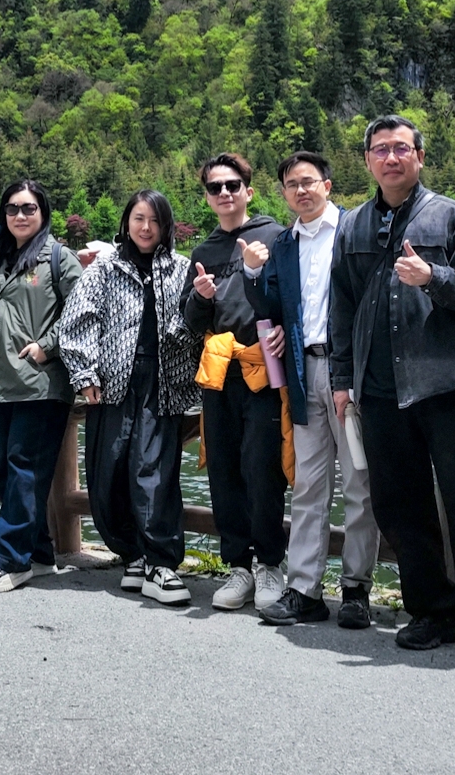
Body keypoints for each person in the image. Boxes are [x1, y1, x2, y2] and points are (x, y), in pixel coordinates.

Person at [331, 114, 455, 668]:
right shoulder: (352, 226)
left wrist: (433, 278)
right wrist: (342, 379)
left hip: (448, 384)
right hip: (378, 389)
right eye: (380, 150)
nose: (390, 158)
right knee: (400, 507)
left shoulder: (452, 216)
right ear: (367, 160)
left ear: (419, 156)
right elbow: (341, 307)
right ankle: (433, 611)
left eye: (401, 148)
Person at [248, 151, 379, 628]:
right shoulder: (284, 243)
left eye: (308, 181)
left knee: (360, 484)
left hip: (351, 373)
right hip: (304, 372)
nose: (301, 190)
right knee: (308, 485)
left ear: (327, 184)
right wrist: (251, 272)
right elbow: (269, 305)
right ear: (283, 193)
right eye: (291, 184)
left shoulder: (354, 230)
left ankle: (356, 588)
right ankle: (305, 589)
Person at [56, 190, 204, 608]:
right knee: (109, 469)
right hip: (111, 381)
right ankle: (133, 554)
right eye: (139, 218)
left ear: (166, 226)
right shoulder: (105, 268)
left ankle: (161, 562)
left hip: (162, 381)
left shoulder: (180, 269)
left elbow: (192, 324)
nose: (146, 227)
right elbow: (77, 320)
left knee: (151, 470)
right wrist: (84, 373)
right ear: (127, 222)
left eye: (155, 220)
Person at [183, 151, 289, 612]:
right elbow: (191, 322)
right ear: (207, 197)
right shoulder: (203, 252)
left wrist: (284, 326)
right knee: (224, 469)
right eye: (215, 188)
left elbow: (293, 299)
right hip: (219, 371)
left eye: (232, 185)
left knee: (262, 469)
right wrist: (201, 298)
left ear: (249, 190)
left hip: (262, 368)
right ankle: (238, 566)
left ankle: (270, 564)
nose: (224, 193)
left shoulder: (276, 236)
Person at [0, 179, 84, 593]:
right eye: (12, 208)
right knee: (8, 469)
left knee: (24, 466)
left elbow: (82, 311)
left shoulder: (58, 258)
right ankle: (38, 552)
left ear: (43, 212)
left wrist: (46, 347)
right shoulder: (0, 257)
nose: (20, 215)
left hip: (41, 383)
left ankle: (11, 558)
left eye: (28, 208)